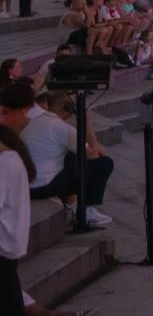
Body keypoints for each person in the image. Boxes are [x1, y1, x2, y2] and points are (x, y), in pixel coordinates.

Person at [3, 81, 112, 228]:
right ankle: (88, 211)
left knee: (71, 156)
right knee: (105, 163)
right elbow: (94, 155)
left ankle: (69, 207)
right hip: (43, 187)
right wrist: (88, 123)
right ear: (67, 108)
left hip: (27, 185)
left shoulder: (34, 121)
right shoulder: (61, 127)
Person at [0, 118, 35, 316]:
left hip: (3, 242)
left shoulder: (4, 163)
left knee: (9, 304)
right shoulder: (12, 159)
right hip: (10, 242)